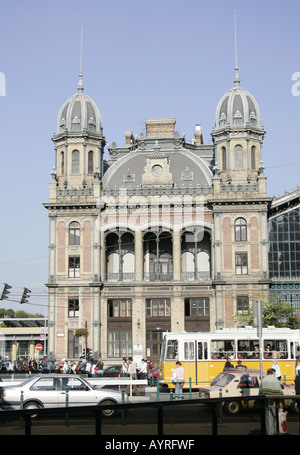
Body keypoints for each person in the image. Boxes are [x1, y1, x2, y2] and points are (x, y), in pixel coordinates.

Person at [259, 368, 284, 435]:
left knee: (268, 418)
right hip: (273, 401)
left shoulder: (263, 380)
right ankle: (272, 432)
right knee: (273, 418)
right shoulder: (274, 379)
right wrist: (281, 402)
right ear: (273, 373)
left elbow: (260, 391)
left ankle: (270, 432)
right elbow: (279, 391)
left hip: (266, 401)